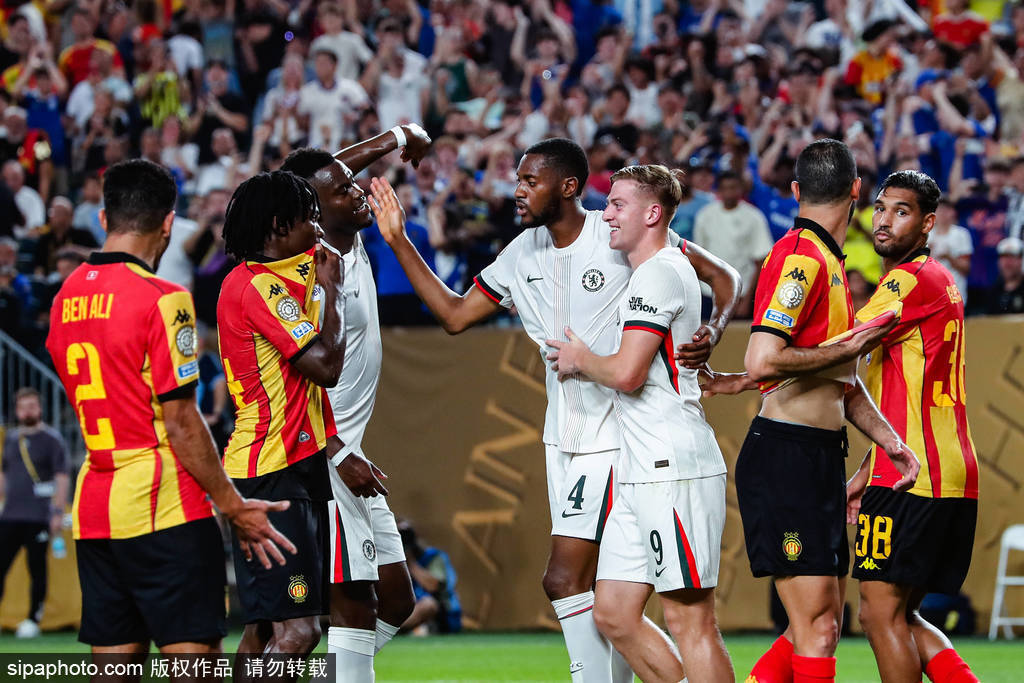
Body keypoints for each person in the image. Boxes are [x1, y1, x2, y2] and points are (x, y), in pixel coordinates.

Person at [368, 137, 741, 682]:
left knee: (567, 580)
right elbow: (454, 315)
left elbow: (723, 277)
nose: (517, 190)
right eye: (517, 180)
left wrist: (712, 329)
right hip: (561, 438)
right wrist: (399, 241)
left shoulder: (618, 236)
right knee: (611, 608)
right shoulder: (521, 254)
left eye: (529, 181)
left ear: (567, 187)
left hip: (619, 436)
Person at [44, 159, 294, 672]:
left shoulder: (64, 297)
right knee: (195, 662)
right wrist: (233, 505)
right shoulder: (165, 299)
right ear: (168, 223)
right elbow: (180, 421)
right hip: (163, 505)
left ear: (103, 217)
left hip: (95, 507)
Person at [701, 139, 919, 683]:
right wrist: (852, 346)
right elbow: (763, 359)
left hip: (817, 457)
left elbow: (839, 382)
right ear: (857, 190)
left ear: (796, 190)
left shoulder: (826, 260)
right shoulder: (802, 257)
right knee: (818, 627)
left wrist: (891, 443)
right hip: (787, 459)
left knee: (819, 625)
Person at [546, 165, 733, 682]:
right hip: (640, 467)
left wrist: (581, 359)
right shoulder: (654, 267)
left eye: (617, 204)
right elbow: (726, 279)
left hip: (673, 466)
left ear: (652, 214)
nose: (606, 214)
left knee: (690, 618)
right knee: (613, 612)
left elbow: (628, 374)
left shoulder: (658, 273)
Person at [280, 121, 431, 682]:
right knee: (349, 606)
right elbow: (291, 385)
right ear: (314, 211)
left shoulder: (352, 237)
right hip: (321, 456)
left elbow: (326, 174)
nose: (358, 191)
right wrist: (338, 451)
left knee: (396, 600)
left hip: (348, 452)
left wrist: (399, 138)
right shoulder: (310, 276)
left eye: (353, 182)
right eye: (343, 190)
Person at [217, 171, 371, 680]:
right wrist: (333, 293)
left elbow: (324, 174)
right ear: (280, 226)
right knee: (299, 632)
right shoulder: (259, 286)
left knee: (265, 627)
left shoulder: (284, 269)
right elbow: (325, 369)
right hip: (270, 470)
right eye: (310, 218)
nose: (319, 226)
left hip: (295, 466)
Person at [847, 170, 981, 683]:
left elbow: (846, 344)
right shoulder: (941, 279)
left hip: (912, 478)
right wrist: (867, 470)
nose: (884, 220)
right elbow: (902, 399)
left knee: (878, 613)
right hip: (946, 470)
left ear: (928, 224)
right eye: (881, 208)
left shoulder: (906, 280)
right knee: (903, 614)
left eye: (901, 212)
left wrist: (758, 368)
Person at [0, 387, 70, 639]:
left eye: (31, 406)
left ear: (39, 408)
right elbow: (4, 473)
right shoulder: (11, 439)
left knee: (37, 568)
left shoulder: (52, 439)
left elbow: (62, 476)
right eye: (22, 407)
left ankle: (33, 618)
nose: (27, 411)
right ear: (16, 410)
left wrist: (57, 511)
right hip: (10, 515)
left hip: (39, 515)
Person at [398, 518, 462, 635]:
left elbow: (434, 586)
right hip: (406, 609)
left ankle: (391, 631)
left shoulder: (432, 557)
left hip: (438, 615)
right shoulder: (386, 560)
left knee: (428, 605)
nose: (402, 541)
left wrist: (410, 562)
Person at [984, 237, 1024, 314]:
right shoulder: (993, 291)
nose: (1007, 262)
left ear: (1021, 260)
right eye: (1003, 257)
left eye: (1012, 257)